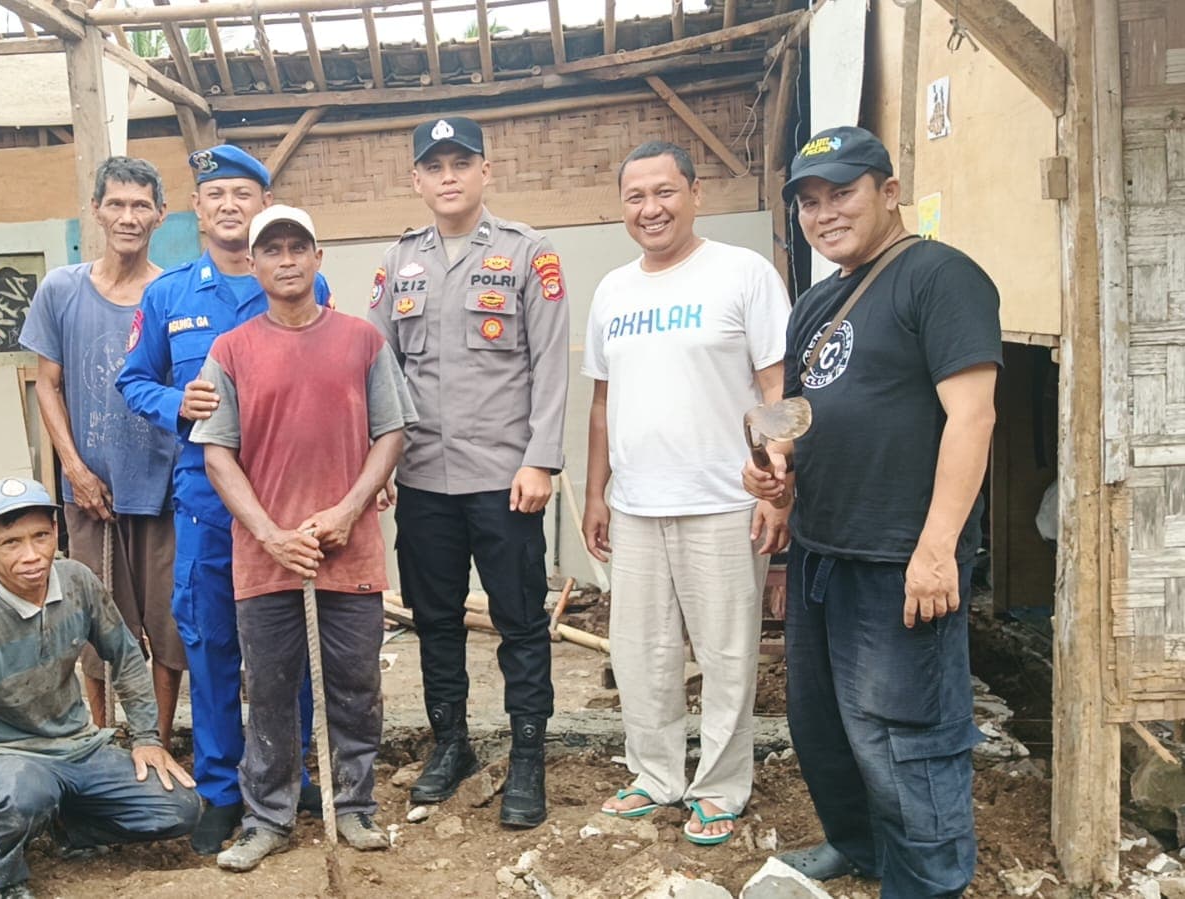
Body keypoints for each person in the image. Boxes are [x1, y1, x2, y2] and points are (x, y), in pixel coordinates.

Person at [743, 125, 999, 897]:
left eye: (842, 193)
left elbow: (973, 416)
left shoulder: (939, 277)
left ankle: (927, 879)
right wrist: (776, 474)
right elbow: (798, 411)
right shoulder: (817, 299)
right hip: (823, 548)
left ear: (889, 193)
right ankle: (858, 845)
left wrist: (936, 549)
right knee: (822, 727)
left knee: (906, 736)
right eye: (809, 202)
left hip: (897, 555)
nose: (824, 214)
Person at [117, 145, 331, 854]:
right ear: (198, 209)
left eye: (244, 193)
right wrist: (182, 400)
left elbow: (333, 382)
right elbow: (132, 381)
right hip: (208, 506)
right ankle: (218, 790)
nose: (231, 205)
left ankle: (288, 770)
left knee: (287, 648)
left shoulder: (301, 285)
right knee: (210, 649)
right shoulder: (170, 295)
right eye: (217, 195)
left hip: (286, 502)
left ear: (264, 204)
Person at [191, 205, 414, 872]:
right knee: (268, 688)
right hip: (266, 556)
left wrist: (347, 510)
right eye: (272, 249)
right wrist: (267, 532)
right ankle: (267, 816)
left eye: (297, 247)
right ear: (253, 264)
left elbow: (391, 432)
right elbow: (216, 454)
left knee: (353, 682)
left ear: (317, 257)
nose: (285, 259)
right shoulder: (229, 350)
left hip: (350, 550)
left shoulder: (360, 340)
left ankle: (354, 806)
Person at [582, 141, 791, 844]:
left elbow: (775, 387)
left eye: (664, 192)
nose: (651, 208)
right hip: (637, 504)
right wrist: (594, 493)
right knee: (640, 652)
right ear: (621, 208)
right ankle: (654, 774)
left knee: (727, 651)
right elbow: (601, 403)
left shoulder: (741, 273)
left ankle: (720, 786)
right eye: (636, 197)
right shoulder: (613, 290)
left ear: (694, 193)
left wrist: (774, 483)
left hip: (723, 499)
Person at [367, 116, 570, 828]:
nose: (448, 176)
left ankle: (525, 757)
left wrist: (541, 457)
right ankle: (450, 744)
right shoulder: (397, 263)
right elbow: (380, 370)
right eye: (434, 165)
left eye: (461, 162)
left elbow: (550, 364)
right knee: (436, 621)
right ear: (416, 180)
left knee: (520, 623)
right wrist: (380, 459)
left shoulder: (526, 253)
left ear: (485, 171)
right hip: (422, 477)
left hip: (505, 477)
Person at [0, 477, 199, 899]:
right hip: (8, 757)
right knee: (19, 796)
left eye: (41, 536)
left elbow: (127, 654)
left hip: (80, 748)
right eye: (10, 543)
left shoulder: (77, 581)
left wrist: (147, 739)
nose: (31, 555)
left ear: (56, 534)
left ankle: (64, 825)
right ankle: (3, 884)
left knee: (179, 809)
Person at [18, 156, 185, 745]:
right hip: (88, 492)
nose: (128, 216)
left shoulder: (170, 291)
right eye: (116, 203)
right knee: (92, 627)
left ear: (161, 215)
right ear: (95, 211)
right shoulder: (62, 289)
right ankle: (98, 741)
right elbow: (48, 383)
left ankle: (156, 743)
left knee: (165, 627)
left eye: (141, 205)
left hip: (161, 488)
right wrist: (74, 469)